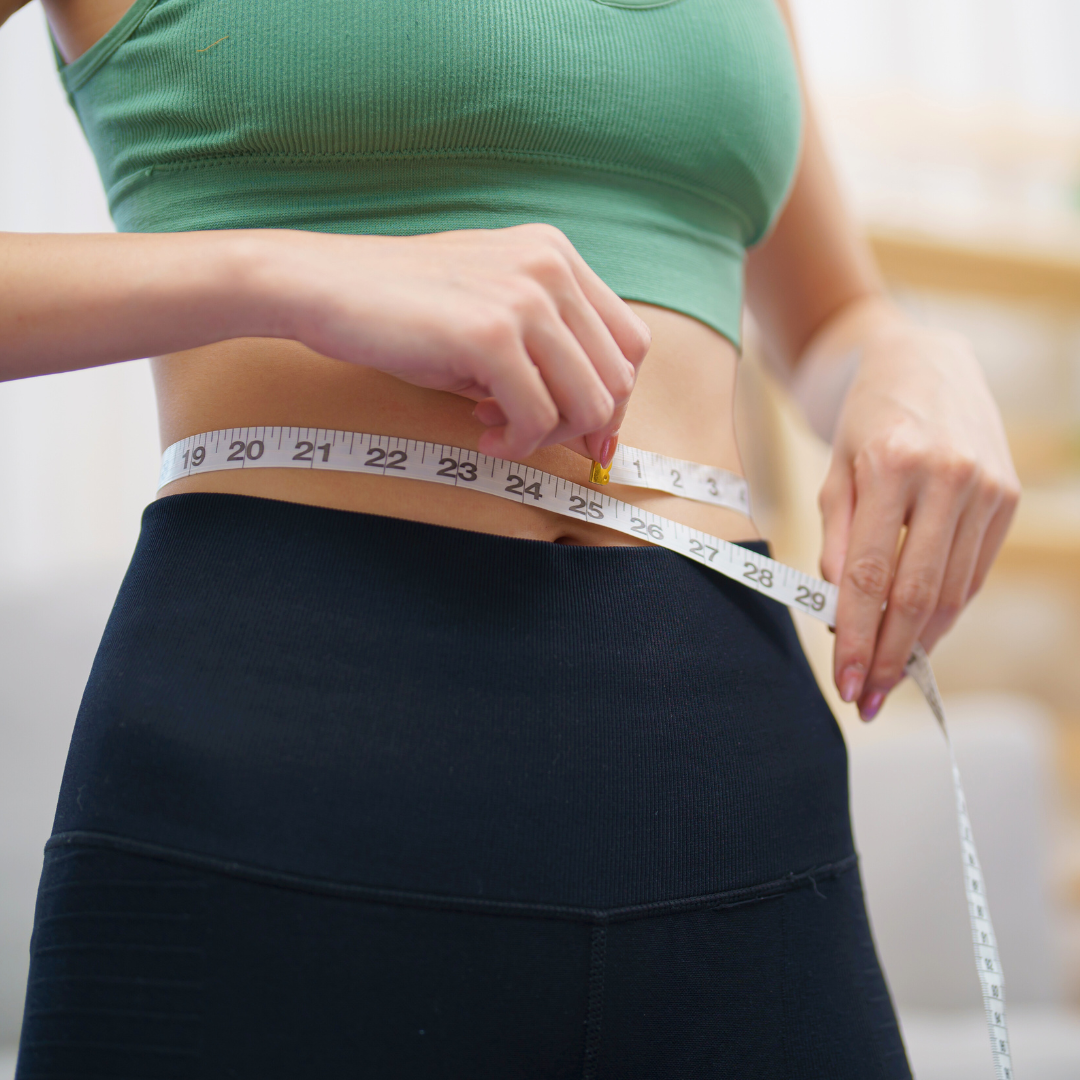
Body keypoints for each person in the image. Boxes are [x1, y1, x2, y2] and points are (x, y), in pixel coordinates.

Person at [3, 0, 1018, 1076]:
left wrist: (911, 357)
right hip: (279, 777)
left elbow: (827, 321)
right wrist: (292, 274)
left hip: (734, 784)